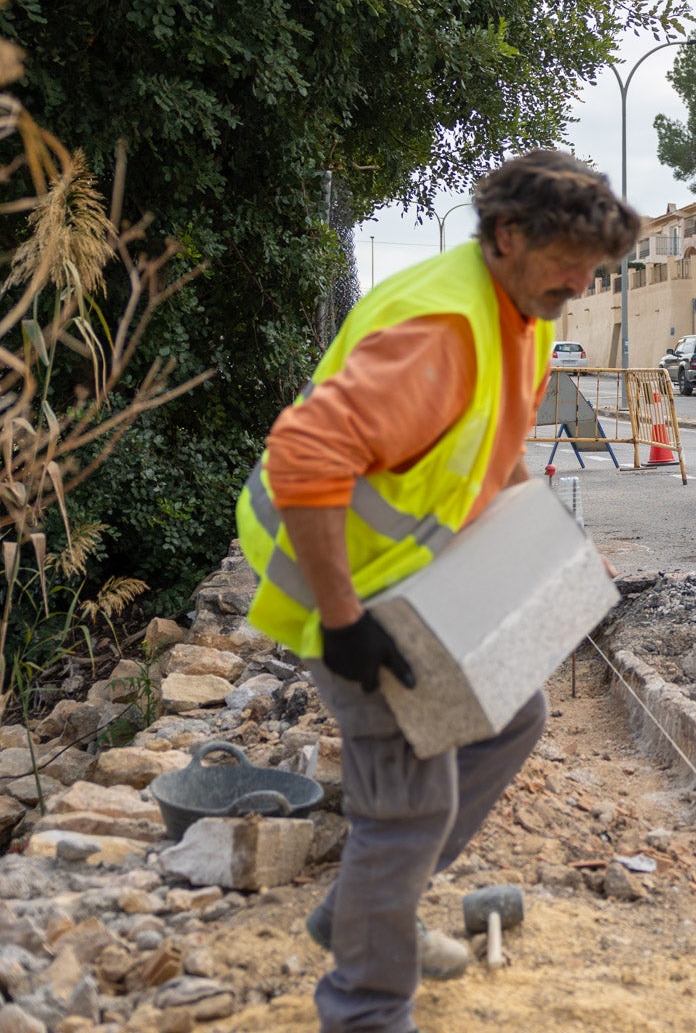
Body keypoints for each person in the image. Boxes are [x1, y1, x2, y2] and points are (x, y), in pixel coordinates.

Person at [235, 151, 643, 1033]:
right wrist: (342, 623)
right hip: (341, 588)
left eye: (593, 266)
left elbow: (491, 463)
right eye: (569, 259)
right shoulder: (443, 328)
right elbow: (304, 456)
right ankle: (366, 1007)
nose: (583, 280)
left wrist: (557, 561)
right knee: (408, 803)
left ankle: (363, 909)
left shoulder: (520, 314)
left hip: (399, 582)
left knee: (514, 714)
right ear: (508, 236)